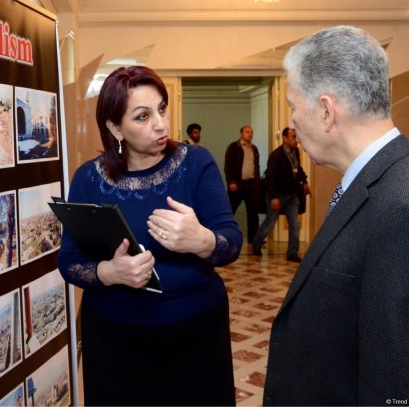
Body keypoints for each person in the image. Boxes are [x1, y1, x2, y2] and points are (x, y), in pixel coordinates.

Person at [263, 25, 409, 405]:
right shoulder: (383, 178)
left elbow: (407, 385)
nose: (293, 121)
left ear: (327, 110)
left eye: (294, 106)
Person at [57, 66, 242, 406]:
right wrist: (109, 273)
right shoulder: (88, 179)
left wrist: (201, 240)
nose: (159, 124)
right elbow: (69, 262)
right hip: (115, 339)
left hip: (195, 334)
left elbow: (231, 243)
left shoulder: (196, 162)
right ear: (115, 127)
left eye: (161, 108)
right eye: (142, 117)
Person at [251, 127, 310, 261]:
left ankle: (292, 253)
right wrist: (274, 197)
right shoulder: (276, 156)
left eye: (296, 136)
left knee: (294, 224)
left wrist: (304, 182)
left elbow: (297, 168)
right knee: (270, 222)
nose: (296, 140)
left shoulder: (295, 151)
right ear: (284, 138)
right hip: (277, 194)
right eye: (293, 137)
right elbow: (270, 179)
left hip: (292, 195)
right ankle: (256, 242)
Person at [224, 125, 263, 247]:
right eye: (247, 132)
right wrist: (231, 182)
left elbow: (256, 166)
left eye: (251, 132)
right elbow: (228, 166)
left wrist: (257, 182)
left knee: (253, 213)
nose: (250, 134)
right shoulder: (234, 147)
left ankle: (254, 240)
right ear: (241, 133)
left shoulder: (254, 149)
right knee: (229, 210)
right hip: (237, 184)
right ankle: (224, 236)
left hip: (251, 185)